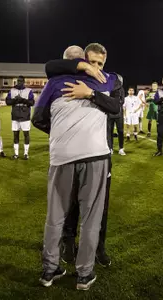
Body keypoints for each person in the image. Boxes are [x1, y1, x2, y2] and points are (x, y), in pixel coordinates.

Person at [43, 43, 124, 271]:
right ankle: (69, 244)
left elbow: (117, 109)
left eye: (100, 63)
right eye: (92, 63)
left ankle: (99, 248)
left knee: (100, 206)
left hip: (101, 151)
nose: (96, 67)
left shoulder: (112, 80)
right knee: (70, 205)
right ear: (82, 62)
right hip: (76, 151)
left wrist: (91, 93)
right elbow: (50, 66)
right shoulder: (69, 77)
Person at [5, 76, 35, 160]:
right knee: (15, 135)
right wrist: (15, 100)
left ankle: (26, 153)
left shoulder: (29, 91)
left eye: (21, 81)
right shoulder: (12, 90)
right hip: (15, 116)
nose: (19, 82)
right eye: (18, 81)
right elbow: (7, 102)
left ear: (24, 82)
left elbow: (32, 102)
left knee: (26, 134)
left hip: (25, 116)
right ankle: (16, 154)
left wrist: (22, 99)